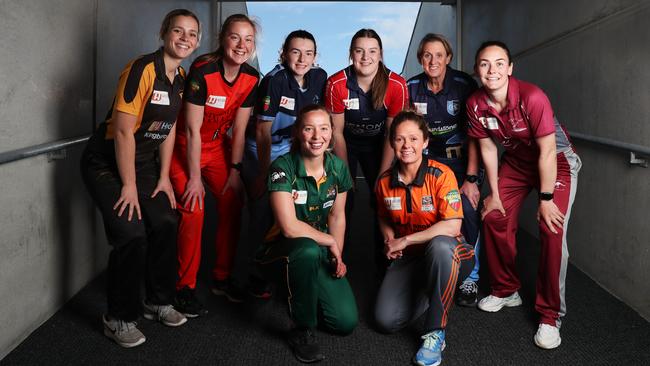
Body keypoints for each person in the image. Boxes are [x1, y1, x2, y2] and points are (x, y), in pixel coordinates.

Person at [80, 9, 200, 347]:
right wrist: (129, 186)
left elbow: (170, 127)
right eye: (178, 31)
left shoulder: (180, 77)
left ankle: (158, 301)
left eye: (192, 34)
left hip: (145, 162)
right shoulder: (143, 68)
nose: (184, 39)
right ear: (164, 33)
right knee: (131, 232)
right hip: (105, 161)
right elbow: (121, 133)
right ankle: (117, 317)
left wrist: (163, 177)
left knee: (164, 221)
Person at [467, 41, 581, 349]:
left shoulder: (532, 96)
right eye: (485, 64)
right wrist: (493, 193)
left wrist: (545, 200)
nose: (492, 70)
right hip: (516, 162)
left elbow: (546, 151)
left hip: (555, 160)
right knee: (493, 215)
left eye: (499, 63)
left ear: (510, 68)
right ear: (477, 69)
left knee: (551, 228)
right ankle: (506, 289)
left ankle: (549, 315)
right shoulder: (476, 103)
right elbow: (488, 147)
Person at [169, 14, 260, 316]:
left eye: (248, 39)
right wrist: (195, 177)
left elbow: (240, 129)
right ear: (223, 38)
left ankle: (222, 277)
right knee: (194, 209)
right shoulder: (202, 70)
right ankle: (185, 287)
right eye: (235, 37)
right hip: (185, 147)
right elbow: (192, 130)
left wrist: (235, 171)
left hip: (218, 148)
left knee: (234, 200)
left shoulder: (250, 78)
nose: (241, 45)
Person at [255, 105, 358, 363]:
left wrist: (338, 257)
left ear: (332, 133)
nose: (316, 136)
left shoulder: (338, 167)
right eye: (308, 128)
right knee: (307, 249)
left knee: (344, 322)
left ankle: (301, 290)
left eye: (324, 128)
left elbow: (337, 216)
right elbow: (289, 228)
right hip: (279, 252)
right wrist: (330, 241)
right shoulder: (282, 167)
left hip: (319, 250)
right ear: (297, 133)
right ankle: (302, 330)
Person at [374, 110, 475, 366]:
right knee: (386, 321)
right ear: (391, 143)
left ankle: (435, 332)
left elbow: (453, 226)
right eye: (399, 139)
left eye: (413, 139)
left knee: (440, 247)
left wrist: (405, 241)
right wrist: (389, 240)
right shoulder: (384, 181)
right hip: (411, 259)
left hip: (453, 253)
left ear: (425, 142)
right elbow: (383, 216)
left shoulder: (441, 175)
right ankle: (433, 289)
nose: (406, 146)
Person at [242, 30, 327, 298]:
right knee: (265, 204)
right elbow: (262, 132)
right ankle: (253, 272)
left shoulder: (319, 77)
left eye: (308, 53)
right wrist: (265, 174)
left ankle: (293, 264)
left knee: (297, 202)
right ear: (284, 53)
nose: (302, 58)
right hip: (262, 147)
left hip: (292, 147)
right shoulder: (273, 81)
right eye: (295, 52)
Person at [406, 33, 482, 307]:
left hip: (462, 162)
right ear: (420, 58)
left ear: (448, 58)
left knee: (468, 210)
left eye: (439, 55)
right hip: (428, 164)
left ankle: (471, 276)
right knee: (423, 209)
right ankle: (425, 269)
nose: (433, 60)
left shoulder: (464, 85)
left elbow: (476, 134)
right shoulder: (412, 87)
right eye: (427, 55)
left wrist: (471, 178)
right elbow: (407, 133)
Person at [325, 28, 408, 273]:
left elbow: (392, 135)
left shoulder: (396, 84)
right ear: (351, 54)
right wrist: (344, 173)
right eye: (359, 51)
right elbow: (336, 132)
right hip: (346, 143)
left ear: (381, 54)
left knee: (382, 198)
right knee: (342, 201)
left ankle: (384, 264)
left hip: (378, 145)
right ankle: (338, 259)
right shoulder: (336, 83)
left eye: (372, 51)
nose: (365, 57)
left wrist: (383, 176)